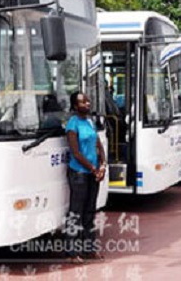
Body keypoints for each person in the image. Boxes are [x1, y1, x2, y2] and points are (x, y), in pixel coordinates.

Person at [65, 91, 106, 262]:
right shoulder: (72, 125)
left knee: (90, 211)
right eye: (83, 102)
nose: (87, 104)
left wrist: (102, 164)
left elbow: (98, 144)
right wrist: (93, 168)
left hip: (92, 173)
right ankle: (72, 253)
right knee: (76, 212)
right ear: (75, 106)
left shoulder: (90, 122)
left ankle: (90, 249)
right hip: (79, 174)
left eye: (88, 101)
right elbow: (76, 153)